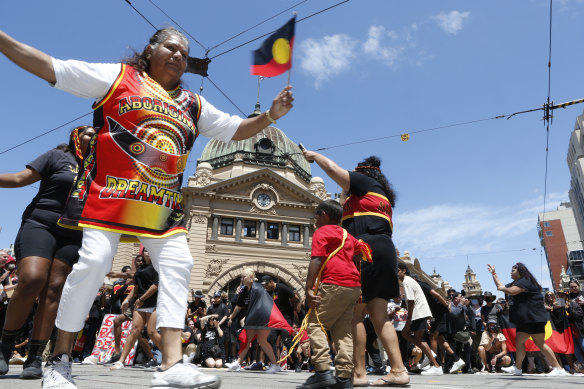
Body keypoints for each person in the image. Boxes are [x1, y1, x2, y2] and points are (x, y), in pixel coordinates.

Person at [0, 25, 293, 389]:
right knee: (93, 263)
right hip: (112, 196)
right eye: (171, 48)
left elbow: (234, 128)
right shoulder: (118, 77)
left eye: (184, 54)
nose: (179, 56)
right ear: (150, 50)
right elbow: (51, 67)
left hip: (161, 205)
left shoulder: (192, 102)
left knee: (180, 263)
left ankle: (171, 363)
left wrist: (270, 116)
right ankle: (59, 361)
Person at [301, 151, 409, 387]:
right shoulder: (380, 197)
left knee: (356, 314)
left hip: (364, 251)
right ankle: (399, 370)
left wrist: (314, 156)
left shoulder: (364, 182)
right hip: (386, 250)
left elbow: (332, 170)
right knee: (380, 316)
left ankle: (358, 374)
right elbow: (343, 208)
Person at [0, 125, 94, 380]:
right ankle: (5, 346)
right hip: (40, 223)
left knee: (54, 290)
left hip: (75, 234)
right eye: (87, 131)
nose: (93, 134)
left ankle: (35, 356)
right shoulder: (57, 156)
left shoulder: (103, 167)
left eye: (97, 132)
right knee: (32, 279)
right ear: (75, 136)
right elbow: (20, 179)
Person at [300, 200, 365, 389]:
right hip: (353, 286)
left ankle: (322, 371)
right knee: (343, 331)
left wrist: (309, 288)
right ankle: (344, 378)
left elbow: (317, 259)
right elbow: (358, 255)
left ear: (324, 215)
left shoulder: (322, 232)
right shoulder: (347, 235)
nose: (315, 220)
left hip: (333, 283)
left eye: (316, 216)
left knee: (315, 324)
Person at [488, 262, 569, 376]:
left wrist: (502, 288)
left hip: (533, 317)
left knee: (540, 343)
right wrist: (494, 274)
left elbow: (511, 291)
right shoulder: (517, 282)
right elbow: (500, 286)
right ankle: (518, 368)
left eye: (513, 270)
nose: (510, 272)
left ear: (520, 272)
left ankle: (559, 369)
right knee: (519, 341)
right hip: (526, 319)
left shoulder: (525, 280)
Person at [225, 268, 289, 373]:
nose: (242, 278)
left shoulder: (257, 289)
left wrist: (246, 317)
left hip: (262, 317)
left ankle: (274, 364)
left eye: (243, 276)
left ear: (251, 278)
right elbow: (239, 306)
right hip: (253, 317)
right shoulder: (244, 290)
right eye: (241, 276)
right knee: (248, 340)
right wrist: (231, 317)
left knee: (261, 341)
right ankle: (238, 363)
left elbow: (260, 305)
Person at [110, 251, 161, 370]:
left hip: (153, 304)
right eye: (145, 250)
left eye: (149, 250)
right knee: (134, 330)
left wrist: (142, 299)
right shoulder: (140, 269)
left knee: (152, 333)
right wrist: (128, 300)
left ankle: (171, 357)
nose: (147, 252)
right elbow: (134, 283)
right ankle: (121, 360)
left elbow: (155, 286)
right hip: (139, 304)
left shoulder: (158, 266)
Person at [396, 263, 442, 376]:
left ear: (404, 271)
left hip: (418, 313)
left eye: (397, 270)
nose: (395, 273)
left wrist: (408, 320)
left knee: (413, 337)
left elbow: (411, 302)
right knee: (411, 336)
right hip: (420, 313)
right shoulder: (408, 281)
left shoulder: (406, 282)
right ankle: (431, 355)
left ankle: (436, 365)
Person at [261, 275, 301, 371]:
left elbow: (295, 297)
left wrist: (294, 308)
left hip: (286, 318)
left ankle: (297, 363)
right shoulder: (268, 292)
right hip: (275, 319)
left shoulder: (281, 287)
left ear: (271, 282)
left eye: (266, 285)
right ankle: (275, 364)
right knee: (271, 339)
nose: (265, 287)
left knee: (286, 340)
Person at [567, 279, 584, 364]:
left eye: (575, 286)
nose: (573, 288)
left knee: (583, 345)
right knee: (575, 348)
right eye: (571, 287)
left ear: (579, 286)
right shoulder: (567, 297)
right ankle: (582, 366)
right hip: (571, 324)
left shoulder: (583, 294)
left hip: (581, 323)